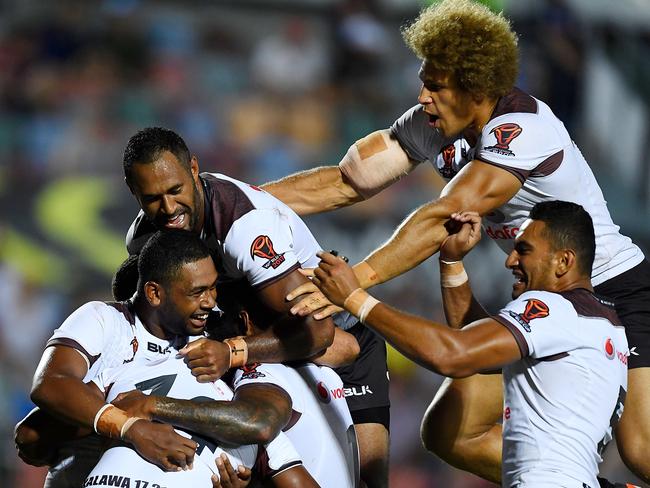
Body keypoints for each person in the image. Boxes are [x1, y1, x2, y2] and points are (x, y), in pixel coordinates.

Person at [261, 0, 650, 483]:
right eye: (424, 80)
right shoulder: (435, 124)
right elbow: (349, 181)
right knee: (450, 434)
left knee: (640, 449)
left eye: (436, 85)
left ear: (476, 86)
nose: (422, 96)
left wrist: (352, 284)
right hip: (543, 302)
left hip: (613, 290)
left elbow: (442, 215)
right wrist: (240, 200)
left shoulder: (523, 129)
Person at [117, 126, 387, 487]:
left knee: (367, 482)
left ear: (194, 169)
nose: (167, 208)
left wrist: (232, 352)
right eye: (151, 198)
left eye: (175, 190)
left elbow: (320, 333)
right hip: (249, 339)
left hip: (333, 337)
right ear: (133, 192)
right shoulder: (144, 241)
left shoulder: (245, 227)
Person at [311, 201, 628, 488]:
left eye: (524, 250)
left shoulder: (554, 308)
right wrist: (452, 262)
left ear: (563, 262)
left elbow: (453, 355)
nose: (511, 261)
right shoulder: (599, 323)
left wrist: (356, 299)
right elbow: (479, 344)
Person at [20, 230, 317, 488]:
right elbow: (31, 434)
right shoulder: (107, 326)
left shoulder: (215, 359)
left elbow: (260, 423)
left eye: (213, 288)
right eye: (198, 291)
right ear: (154, 294)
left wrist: (149, 406)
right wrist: (128, 426)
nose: (210, 302)